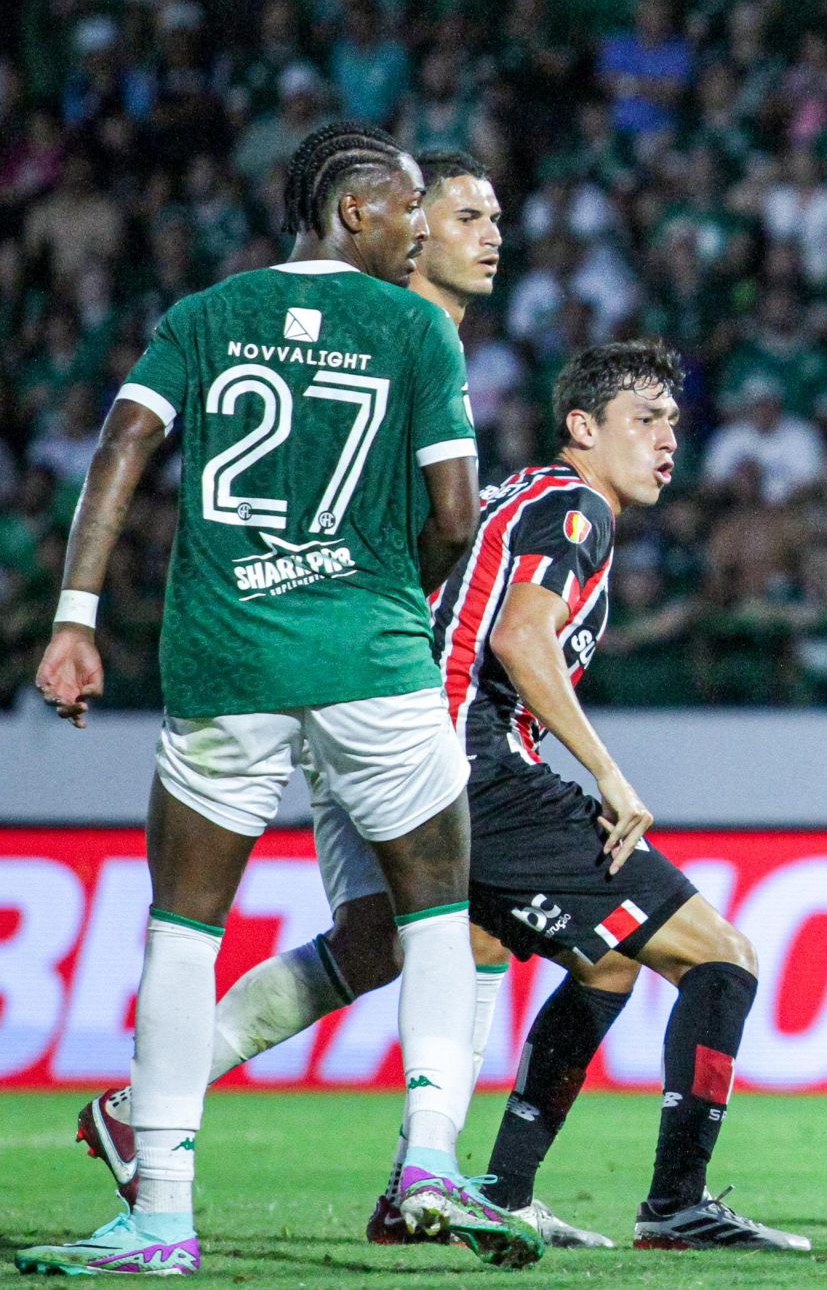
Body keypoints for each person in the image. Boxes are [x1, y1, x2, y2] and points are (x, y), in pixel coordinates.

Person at [21, 124, 534, 1272]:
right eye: (411, 207)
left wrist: (75, 619)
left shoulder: (203, 316)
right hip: (375, 664)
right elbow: (455, 519)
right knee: (439, 914)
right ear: (356, 212)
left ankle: (158, 1215)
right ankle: (431, 1164)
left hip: (226, 664)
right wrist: (380, 591)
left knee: (181, 929)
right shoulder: (412, 329)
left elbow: (119, 452)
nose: (421, 228)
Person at [433, 340, 806, 1249]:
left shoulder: (511, 498)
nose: (667, 439)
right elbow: (525, 640)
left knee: (603, 961)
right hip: (478, 769)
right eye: (645, 420)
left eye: (674, 421)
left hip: (426, 764)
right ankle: (677, 1202)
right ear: (582, 428)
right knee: (723, 957)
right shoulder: (574, 507)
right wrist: (607, 770)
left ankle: (497, 1187)